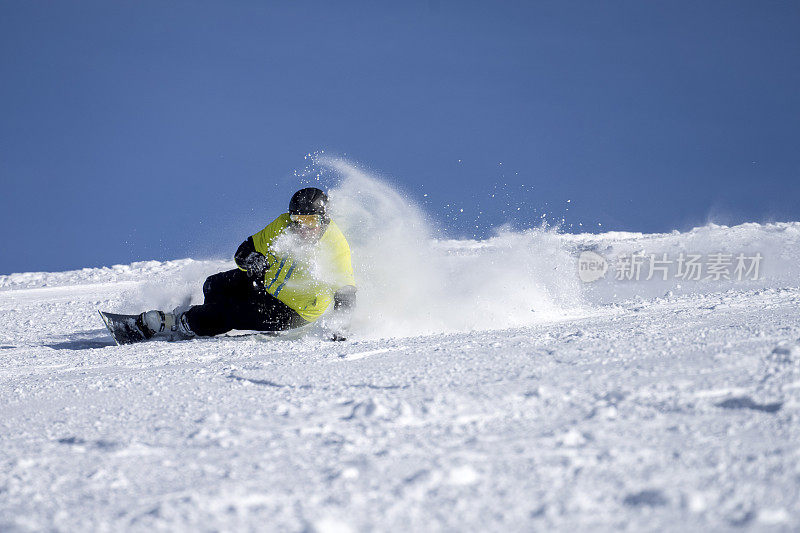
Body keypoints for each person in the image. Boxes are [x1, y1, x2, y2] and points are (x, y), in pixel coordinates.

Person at [136, 187, 356, 341]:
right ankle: (203, 316)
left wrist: (339, 329)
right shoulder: (282, 225)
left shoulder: (334, 246)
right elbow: (245, 250)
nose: (302, 228)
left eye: (310, 221)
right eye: (297, 220)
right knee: (213, 285)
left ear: (323, 219)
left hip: (292, 310)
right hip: (266, 284)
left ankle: (179, 322)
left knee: (229, 312)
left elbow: (345, 294)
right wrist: (252, 260)